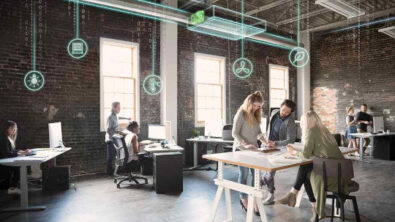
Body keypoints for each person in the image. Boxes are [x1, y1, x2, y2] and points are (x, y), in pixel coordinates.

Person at [277, 111, 345, 220]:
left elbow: (306, 154)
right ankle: (298, 198)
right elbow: (316, 151)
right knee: (307, 169)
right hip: (341, 171)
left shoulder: (311, 132)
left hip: (330, 174)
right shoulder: (324, 131)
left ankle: (298, 197)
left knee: (306, 172)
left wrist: (293, 152)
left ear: (306, 122)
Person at [232, 91, 266, 214]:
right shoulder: (241, 113)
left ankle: (254, 200)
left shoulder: (256, 114)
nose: (257, 108)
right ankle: (244, 199)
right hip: (242, 149)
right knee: (244, 175)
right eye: (255, 105)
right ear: (249, 103)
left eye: (259, 106)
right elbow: (234, 133)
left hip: (253, 149)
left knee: (256, 176)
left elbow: (258, 131)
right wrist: (245, 143)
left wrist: (265, 141)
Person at [260, 99, 297, 205]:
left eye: (287, 112)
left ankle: (261, 184)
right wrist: (266, 141)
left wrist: (275, 143)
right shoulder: (274, 113)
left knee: (270, 173)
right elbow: (269, 129)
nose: (284, 113)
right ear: (280, 106)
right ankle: (270, 195)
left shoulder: (290, 121)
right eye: (283, 110)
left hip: (279, 149)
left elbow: (291, 140)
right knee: (267, 170)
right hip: (267, 146)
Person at [0, 121, 30, 195]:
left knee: (19, 167)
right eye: (13, 129)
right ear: (8, 129)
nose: (15, 130)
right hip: (3, 164)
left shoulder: (7, 138)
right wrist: (21, 153)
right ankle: (12, 188)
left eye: (15, 129)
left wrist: (19, 151)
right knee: (19, 168)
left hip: (6, 161)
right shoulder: (3, 139)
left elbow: (11, 151)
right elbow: (6, 153)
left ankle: (13, 187)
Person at [105, 102, 131, 176]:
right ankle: (110, 173)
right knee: (110, 157)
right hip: (111, 139)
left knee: (119, 156)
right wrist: (119, 132)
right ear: (114, 108)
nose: (119, 109)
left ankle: (118, 171)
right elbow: (108, 130)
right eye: (118, 107)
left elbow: (119, 117)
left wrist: (126, 118)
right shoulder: (110, 117)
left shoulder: (115, 115)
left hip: (116, 138)